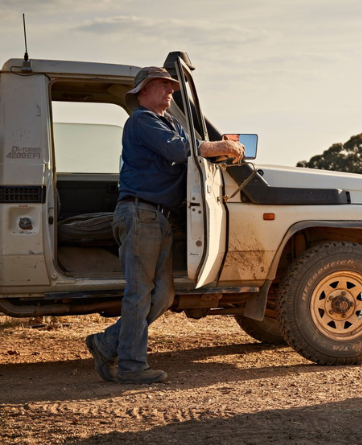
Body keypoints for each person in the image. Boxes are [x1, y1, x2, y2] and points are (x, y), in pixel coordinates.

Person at [85, 66, 245, 384]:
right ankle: (131, 366)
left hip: (157, 217)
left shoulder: (169, 122)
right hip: (141, 214)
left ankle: (107, 343)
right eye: (163, 85)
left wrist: (216, 151)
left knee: (163, 296)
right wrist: (218, 147)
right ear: (142, 91)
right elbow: (179, 150)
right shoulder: (142, 120)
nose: (170, 90)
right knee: (140, 293)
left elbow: (193, 151)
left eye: (172, 85)